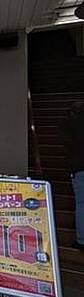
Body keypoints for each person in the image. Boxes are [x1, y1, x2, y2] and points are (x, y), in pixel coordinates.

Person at [63, 102, 84, 250]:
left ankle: (81, 240)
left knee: (81, 204)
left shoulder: (69, 124)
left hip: (79, 167)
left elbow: (67, 142)